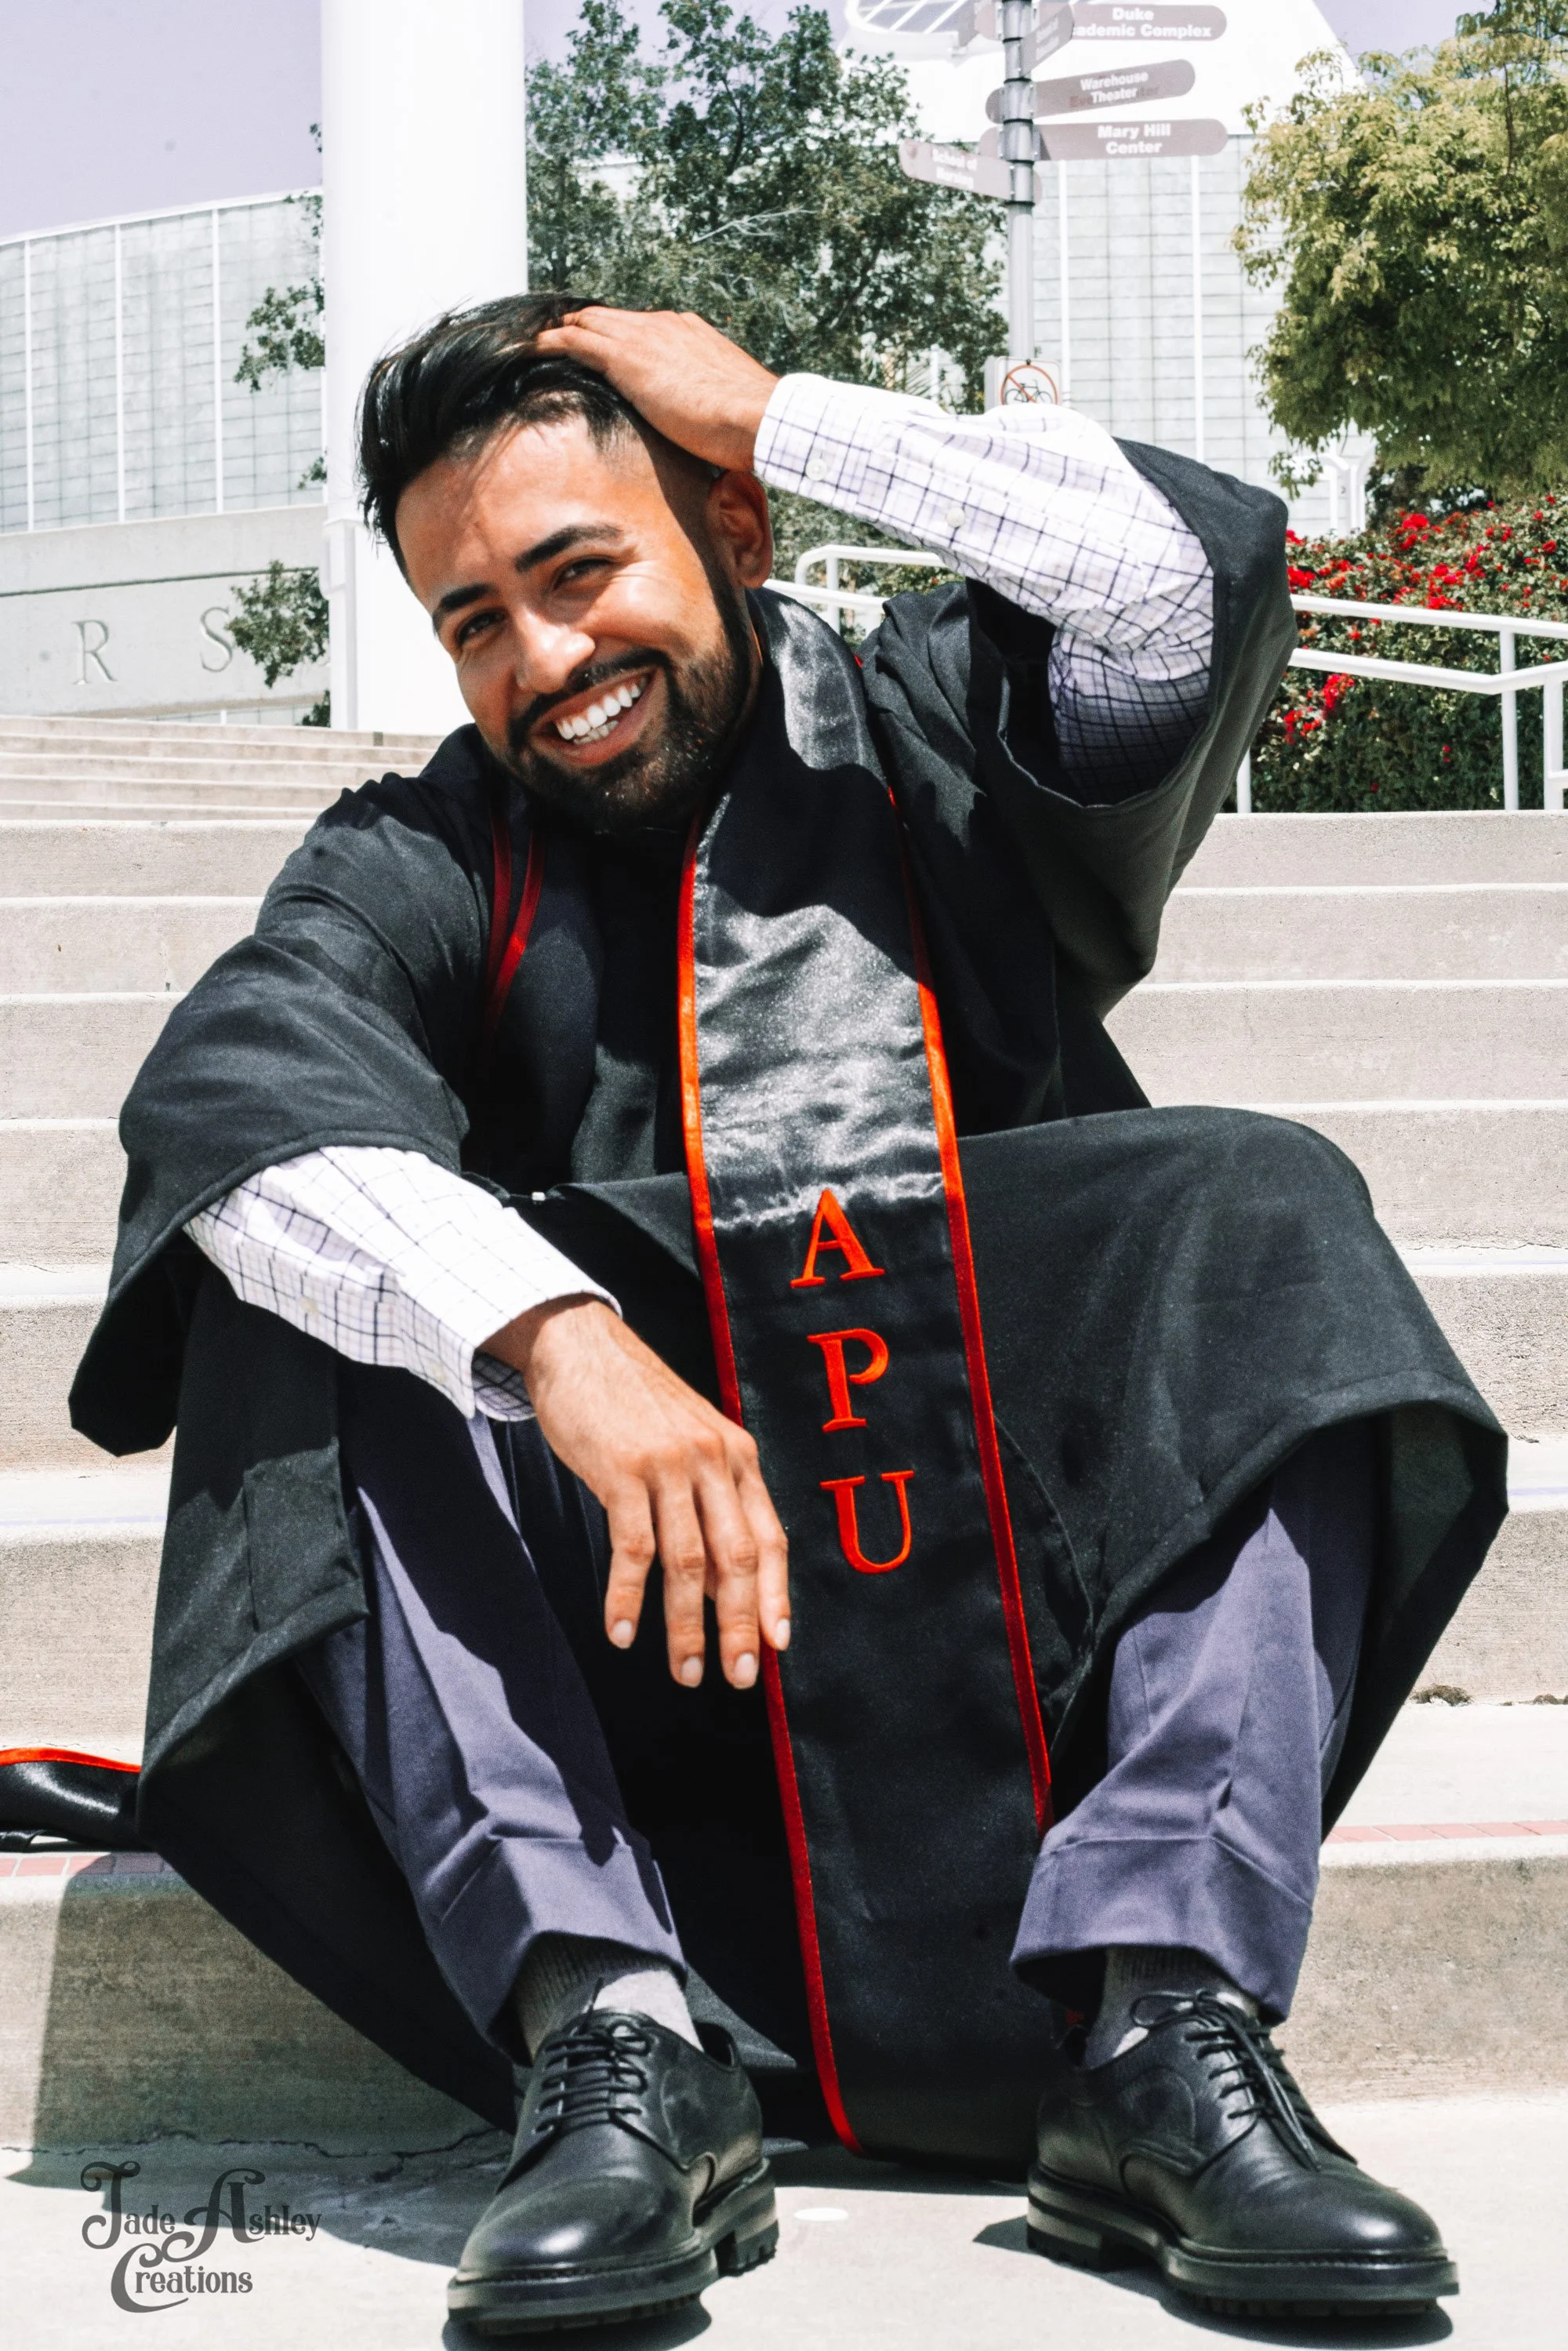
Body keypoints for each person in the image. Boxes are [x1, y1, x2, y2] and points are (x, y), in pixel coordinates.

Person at [71, 297, 1504, 2334]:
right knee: (310, 1286)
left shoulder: (923, 738)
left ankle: (1161, 2027)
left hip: (1023, 1637)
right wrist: (557, 1335)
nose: (540, 660)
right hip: (639, 1707)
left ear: (733, 527)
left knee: (1257, 1204)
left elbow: (1175, 588)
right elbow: (241, 1092)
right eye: (473, 616)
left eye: (582, 572)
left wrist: (778, 409)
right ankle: (617, 2044)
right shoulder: (434, 853)